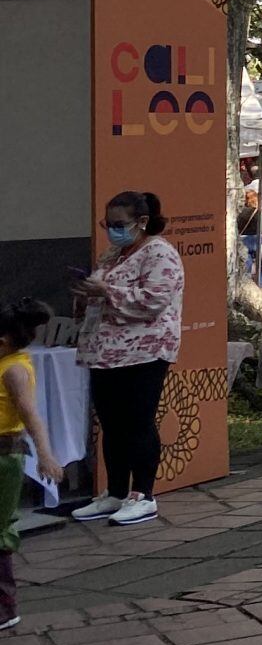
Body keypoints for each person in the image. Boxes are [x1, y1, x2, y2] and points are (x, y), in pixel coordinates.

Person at [67, 192, 184, 526]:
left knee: (138, 421)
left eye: (119, 225)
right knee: (112, 423)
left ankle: (142, 495)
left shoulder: (160, 253)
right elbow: (101, 295)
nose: (112, 231)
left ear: (142, 222)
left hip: (144, 351)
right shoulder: (114, 253)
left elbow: (153, 301)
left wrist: (106, 292)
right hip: (105, 351)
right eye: (108, 224)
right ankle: (115, 492)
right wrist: (85, 293)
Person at [1, 299, 65, 630]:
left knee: (0, 531)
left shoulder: (13, 369)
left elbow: (30, 416)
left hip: (4, 458)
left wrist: (45, 454)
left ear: (4, 341)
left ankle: (6, 606)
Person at [236, 184, 262, 287]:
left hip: (244, 241)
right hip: (260, 240)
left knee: (246, 266)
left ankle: (246, 286)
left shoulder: (240, 212)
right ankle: (261, 286)